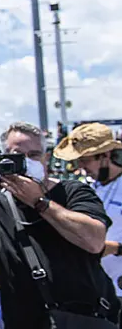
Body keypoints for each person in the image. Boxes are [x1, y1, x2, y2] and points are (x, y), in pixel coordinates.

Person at [0, 121, 119, 329]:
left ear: (45, 157)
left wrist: (39, 201)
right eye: (16, 156)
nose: (25, 162)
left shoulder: (74, 191)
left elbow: (94, 240)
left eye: (33, 155)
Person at [53, 123, 122, 299]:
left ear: (105, 155)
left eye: (85, 159)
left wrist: (115, 248)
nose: (81, 166)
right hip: (98, 289)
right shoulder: (88, 187)